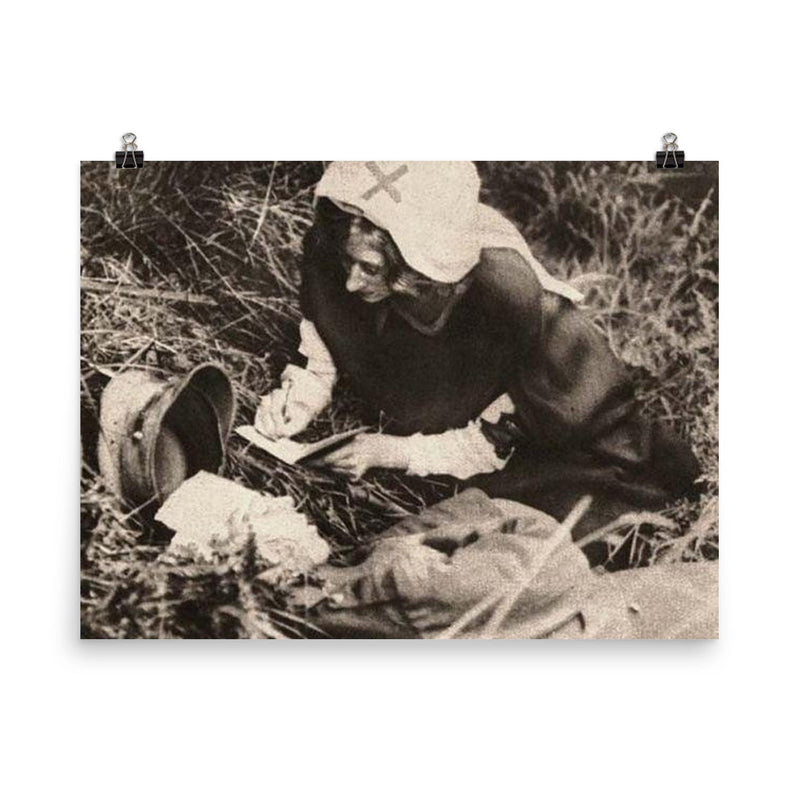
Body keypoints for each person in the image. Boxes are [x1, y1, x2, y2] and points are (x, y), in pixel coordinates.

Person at [255, 162, 700, 536]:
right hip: (425, 401)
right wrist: (301, 399)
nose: (351, 283)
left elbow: (502, 436)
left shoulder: (505, 303)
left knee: (514, 528)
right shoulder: (340, 250)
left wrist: (391, 452)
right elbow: (326, 339)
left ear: (420, 270)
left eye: (371, 269)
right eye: (347, 262)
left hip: (541, 439)